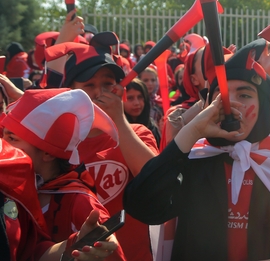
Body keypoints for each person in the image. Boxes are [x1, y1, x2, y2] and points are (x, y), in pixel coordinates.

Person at [123, 41, 270, 260]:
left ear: (262, 106)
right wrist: (191, 132)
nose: (230, 105)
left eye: (244, 95)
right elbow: (140, 204)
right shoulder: (194, 158)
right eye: (220, 97)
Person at [44, 30, 159, 261]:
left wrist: (119, 121)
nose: (99, 92)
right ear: (70, 91)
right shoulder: (54, 147)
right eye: (89, 85)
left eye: (107, 84)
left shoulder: (136, 133)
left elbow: (156, 182)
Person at [1, 88, 126, 260]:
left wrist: (83, 244)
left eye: (12, 138)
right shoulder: (12, 189)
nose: (4, 145)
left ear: (48, 153)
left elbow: (111, 253)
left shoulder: (80, 203)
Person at [1, 138, 120, 261]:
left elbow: (30, 251)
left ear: (48, 153)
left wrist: (78, 241)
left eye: (12, 138)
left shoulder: (11, 175)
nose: (7, 143)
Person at [124, 78, 162, 145]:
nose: (136, 103)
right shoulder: (116, 130)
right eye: (130, 98)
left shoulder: (151, 127)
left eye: (140, 97)